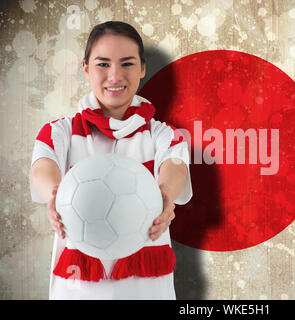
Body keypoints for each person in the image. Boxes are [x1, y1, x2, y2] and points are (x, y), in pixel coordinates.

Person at [29, 21, 192, 299]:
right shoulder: (60, 132)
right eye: (103, 64)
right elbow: (42, 167)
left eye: (127, 64)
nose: (115, 76)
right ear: (86, 68)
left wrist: (166, 196)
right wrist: (55, 195)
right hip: (79, 288)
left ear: (142, 68)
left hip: (146, 287)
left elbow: (174, 167)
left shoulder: (163, 134)